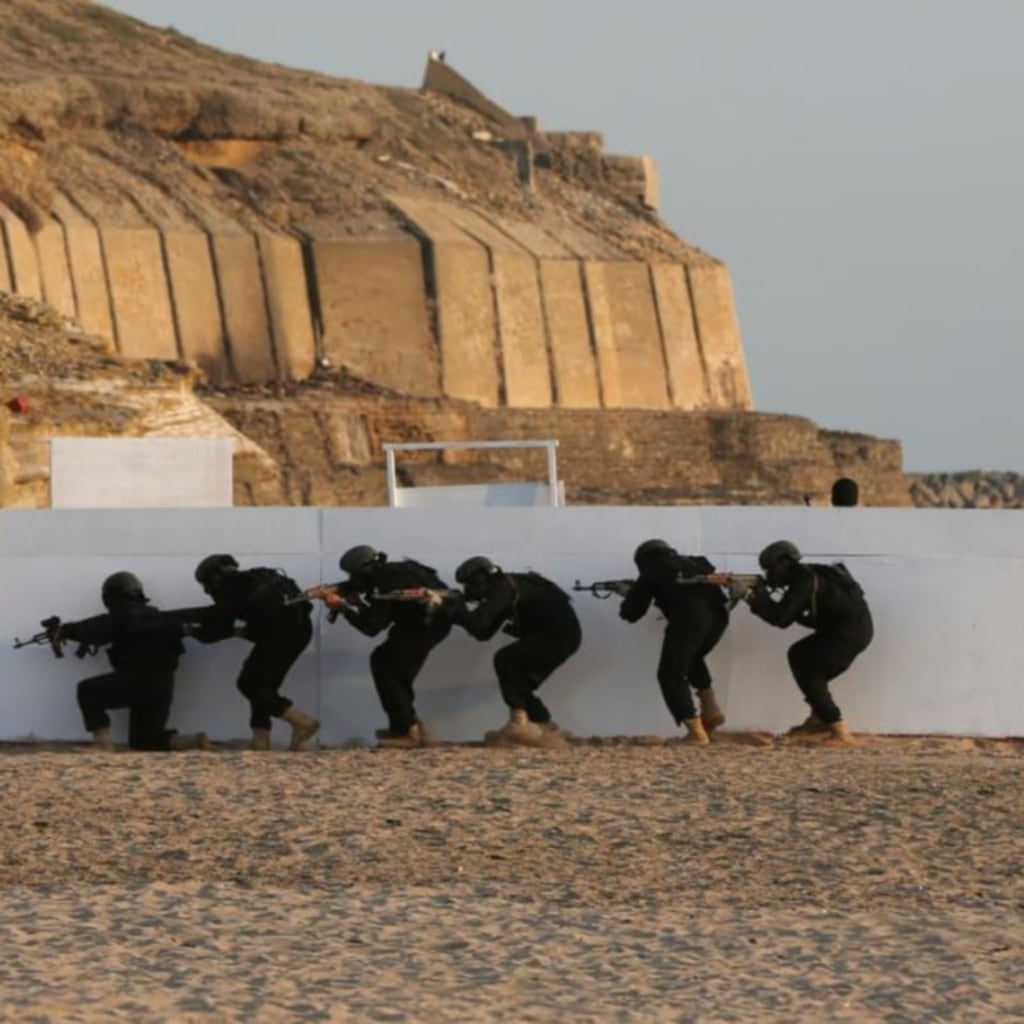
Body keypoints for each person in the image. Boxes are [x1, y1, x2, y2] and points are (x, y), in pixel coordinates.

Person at [61, 571, 208, 752]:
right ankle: (192, 741)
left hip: (137, 682)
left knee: (87, 690)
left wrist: (65, 631)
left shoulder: (124, 617)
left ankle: (101, 743)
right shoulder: (161, 618)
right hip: (163, 688)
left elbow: (93, 630)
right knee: (146, 741)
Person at [744, 540, 873, 746]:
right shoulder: (809, 574)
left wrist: (751, 597)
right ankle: (819, 718)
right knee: (800, 655)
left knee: (810, 670)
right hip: (852, 629)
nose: (770, 575)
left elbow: (781, 619)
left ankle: (840, 731)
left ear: (786, 562)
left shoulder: (804, 580)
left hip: (847, 633)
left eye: (772, 569)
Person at [325, 545, 451, 749]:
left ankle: (406, 730)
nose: (352, 578)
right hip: (433, 624)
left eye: (353, 574)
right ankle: (406, 726)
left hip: (420, 626)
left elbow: (372, 627)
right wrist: (357, 603)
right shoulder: (395, 572)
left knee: (385, 665)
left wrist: (343, 608)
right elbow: (379, 619)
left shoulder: (382, 581)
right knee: (396, 670)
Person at [190, 554, 319, 751]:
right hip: (298, 629)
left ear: (214, 578)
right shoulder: (255, 579)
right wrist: (238, 632)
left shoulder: (230, 588)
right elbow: (264, 618)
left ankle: (302, 722)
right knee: (263, 687)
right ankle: (261, 739)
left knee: (249, 684)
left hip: (280, 634)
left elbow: (218, 628)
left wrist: (194, 630)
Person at [449, 556, 582, 747]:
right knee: (517, 679)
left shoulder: (503, 587)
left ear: (481, 578)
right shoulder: (509, 587)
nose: (469, 590)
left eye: (470, 584)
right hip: (565, 636)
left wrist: (455, 607)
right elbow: (483, 632)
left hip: (558, 635)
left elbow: (479, 624)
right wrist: (456, 610)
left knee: (505, 660)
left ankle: (519, 724)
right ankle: (544, 726)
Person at [618, 539, 729, 745]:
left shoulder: (652, 570)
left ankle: (695, 733)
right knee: (692, 658)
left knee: (670, 674)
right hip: (719, 618)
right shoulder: (694, 563)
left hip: (689, 620)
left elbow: (632, 613)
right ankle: (710, 708)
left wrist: (630, 595)